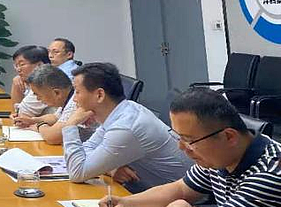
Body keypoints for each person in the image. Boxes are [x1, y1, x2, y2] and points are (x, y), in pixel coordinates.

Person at [99, 87, 281, 207]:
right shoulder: (220, 156)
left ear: (229, 136)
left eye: (189, 140)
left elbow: (178, 201)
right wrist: (126, 202)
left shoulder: (269, 174)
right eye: (179, 137)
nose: (182, 147)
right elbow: (180, 189)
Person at [62, 62, 192, 192]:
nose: (74, 99)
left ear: (100, 95)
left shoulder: (126, 127)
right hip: (150, 190)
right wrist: (109, 168)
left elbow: (77, 172)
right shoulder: (123, 110)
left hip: (179, 196)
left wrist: (70, 125)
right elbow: (88, 149)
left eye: (77, 92)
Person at [24, 64, 96, 144]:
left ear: (57, 93)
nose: (38, 99)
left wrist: (40, 125)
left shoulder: (76, 102)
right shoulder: (68, 97)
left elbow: (53, 137)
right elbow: (55, 117)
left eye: (39, 95)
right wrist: (32, 120)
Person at [9, 45, 55, 124]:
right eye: (16, 66)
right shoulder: (30, 82)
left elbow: (21, 114)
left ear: (40, 65)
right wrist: (16, 84)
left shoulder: (45, 82)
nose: (18, 69)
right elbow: (17, 114)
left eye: (22, 64)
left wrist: (17, 114)